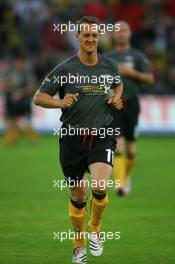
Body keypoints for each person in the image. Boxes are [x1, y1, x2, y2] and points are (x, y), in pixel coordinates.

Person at [33, 16, 123, 264]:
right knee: (78, 195)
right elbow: (39, 97)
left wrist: (117, 98)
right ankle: (78, 245)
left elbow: (118, 86)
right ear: (78, 38)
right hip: (72, 138)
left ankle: (95, 229)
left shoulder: (110, 66)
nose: (91, 39)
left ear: (98, 38)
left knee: (101, 186)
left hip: (103, 135)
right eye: (86, 35)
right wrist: (60, 102)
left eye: (95, 35)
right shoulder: (65, 69)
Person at [106, 21, 154, 196]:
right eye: (117, 31)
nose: (120, 34)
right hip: (114, 103)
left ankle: (126, 178)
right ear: (113, 35)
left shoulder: (138, 56)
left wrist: (130, 73)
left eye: (124, 30)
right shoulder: (106, 58)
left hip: (132, 102)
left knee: (131, 149)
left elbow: (150, 79)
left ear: (129, 33)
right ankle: (120, 184)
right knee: (118, 145)